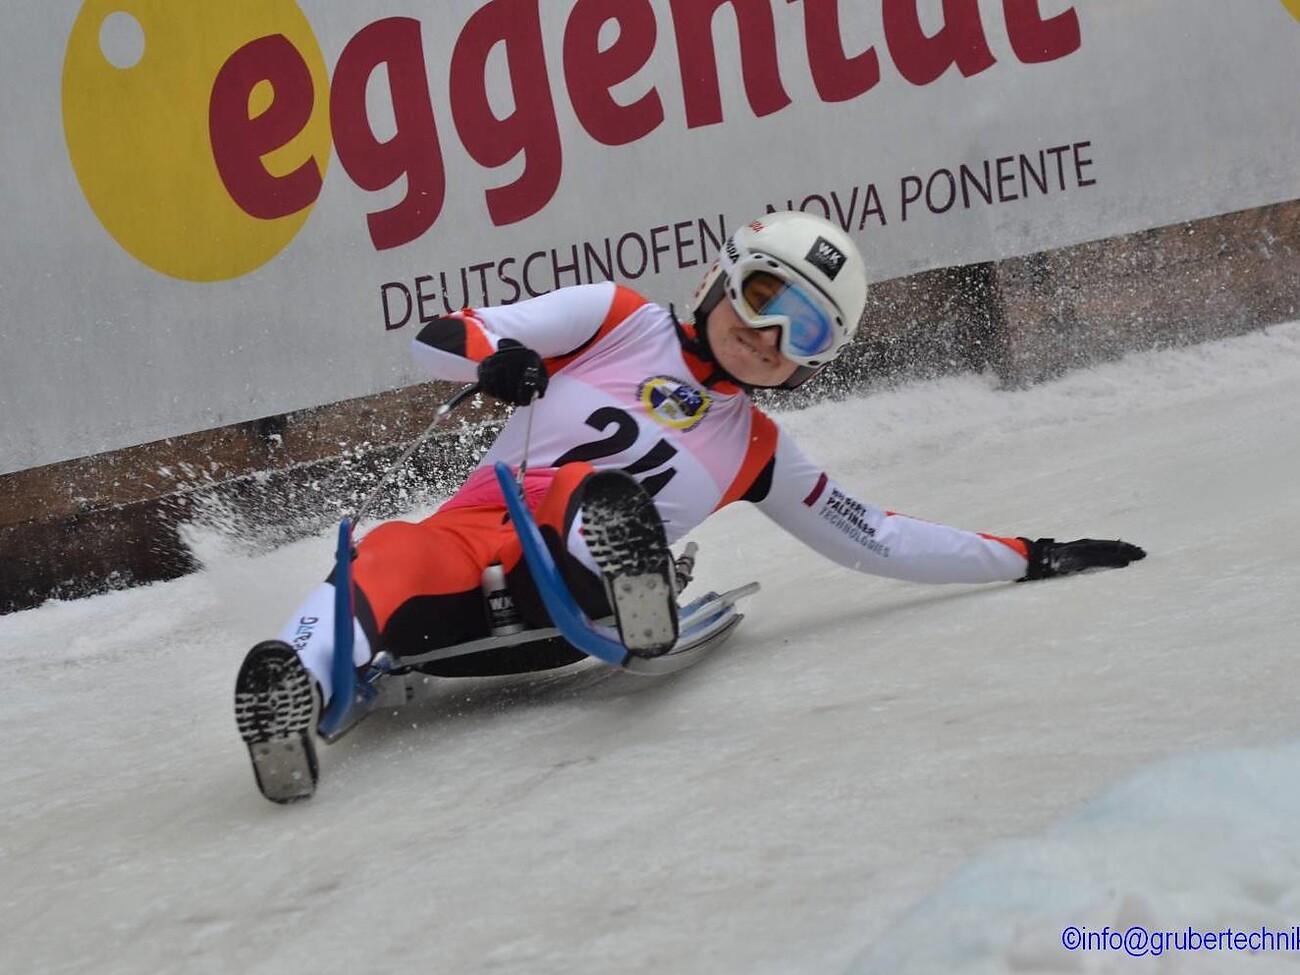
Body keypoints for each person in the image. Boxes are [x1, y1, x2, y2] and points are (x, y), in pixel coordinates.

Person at [234, 211, 1145, 802]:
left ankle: (627, 569)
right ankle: (292, 689)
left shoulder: (756, 448)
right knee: (390, 551)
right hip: (470, 546)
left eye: (803, 330)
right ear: (719, 278)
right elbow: (441, 336)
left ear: (812, 364)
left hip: (572, 589)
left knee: (592, 492)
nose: (768, 334)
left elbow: (877, 538)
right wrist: (493, 361)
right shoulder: (614, 317)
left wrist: (1030, 552)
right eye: (762, 297)